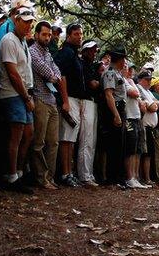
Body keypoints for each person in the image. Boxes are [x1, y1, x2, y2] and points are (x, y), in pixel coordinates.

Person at [0, 6, 36, 194]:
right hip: (12, 94)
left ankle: (18, 172)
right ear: (16, 20)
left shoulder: (23, 43)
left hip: (23, 94)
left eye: (31, 22)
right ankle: (11, 175)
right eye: (25, 21)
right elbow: (13, 73)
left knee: (28, 133)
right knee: (16, 135)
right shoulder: (8, 40)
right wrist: (26, 97)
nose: (28, 25)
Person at [29, 21, 63, 190]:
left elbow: (57, 73)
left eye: (49, 35)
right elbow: (47, 73)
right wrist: (54, 76)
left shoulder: (48, 53)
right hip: (39, 98)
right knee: (39, 142)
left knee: (53, 143)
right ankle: (40, 178)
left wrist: (54, 76)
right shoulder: (32, 51)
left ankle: (50, 177)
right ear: (36, 35)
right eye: (44, 34)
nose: (48, 37)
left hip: (51, 100)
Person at [54, 24, 85, 187]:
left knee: (71, 138)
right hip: (68, 98)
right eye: (76, 34)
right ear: (68, 35)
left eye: (81, 34)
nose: (79, 36)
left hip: (75, 99)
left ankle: (70, 172)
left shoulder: (74, 53)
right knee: (66, 137)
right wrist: (65, 100)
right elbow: (61, 76)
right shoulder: (66, 52)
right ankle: (65, 173)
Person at [99, 44, 128, 186]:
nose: (125, 62)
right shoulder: (110, 73)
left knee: (119, 145)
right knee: (113, 145)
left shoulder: (117, 73)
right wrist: (116, 115)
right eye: (123, 59)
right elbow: (108, 95)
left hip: (120, 108)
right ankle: (112, 178)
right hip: (113, 110)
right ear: (120, 60)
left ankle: (117, 177)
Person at [78, 40, 101, 187]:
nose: (93, 53)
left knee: (91, 141)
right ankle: (84, 175)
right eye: (91, 50)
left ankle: (89, 173)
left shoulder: (92, 66)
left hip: (93, 102)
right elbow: (92, 84)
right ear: (85, 51)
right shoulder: (83, 65)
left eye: (95, 50)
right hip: (85, 101)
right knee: (86, 139)